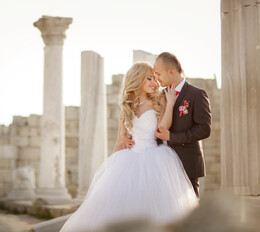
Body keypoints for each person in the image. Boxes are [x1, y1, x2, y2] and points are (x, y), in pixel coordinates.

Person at [59, 62, 198, 232]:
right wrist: (114, 164)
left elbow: (163, 128)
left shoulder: (158, 100)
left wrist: (170, 103)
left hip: (154, 158)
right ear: (137, 79)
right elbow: (119, 141)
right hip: (128, 159)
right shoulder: (126, 108)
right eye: (149, 78)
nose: (154, 82)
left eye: (154, 78)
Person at [125, 52, 212, 198]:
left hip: (186, 163)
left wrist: (172, 137)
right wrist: (132, 136)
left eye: (158, 74)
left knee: (188, 211)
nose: (156, 79)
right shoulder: (159, 96)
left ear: (171, 72)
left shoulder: (196, 94)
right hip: (160, 166)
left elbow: (204, 129)